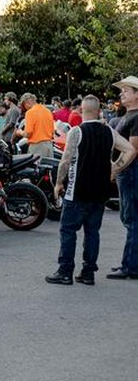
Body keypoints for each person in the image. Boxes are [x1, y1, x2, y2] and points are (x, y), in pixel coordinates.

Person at [45, 95, 136, 285]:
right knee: (92, 232)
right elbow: (130, 149)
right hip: (100, 191)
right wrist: (115, 168)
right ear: (99, 111)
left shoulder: (77, 132)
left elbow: (66, 160)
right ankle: (88, 272)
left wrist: (59, 183)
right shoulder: (108, 132)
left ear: (81, 111)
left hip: (77, 190)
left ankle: (65, 271)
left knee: (68, 231)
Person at [109, 76, 138, 280]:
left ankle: (130, 266)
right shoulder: (129, 115)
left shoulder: (136, 117)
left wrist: (115, 169)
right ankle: (130, 262)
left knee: (132, 219)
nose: (122, 94)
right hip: (126, 173)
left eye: (126, 90)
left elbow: (133, 149)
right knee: (129, 218)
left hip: (131, 172)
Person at [15, 93, 54, 158]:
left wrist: (20, 132)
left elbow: (28, 134)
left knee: (36, 167)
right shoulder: (47, 111)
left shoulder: (30, 112)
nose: (25, 108)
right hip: (49, 146)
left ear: (26, 103)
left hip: (37, 147)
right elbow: (52, 131)